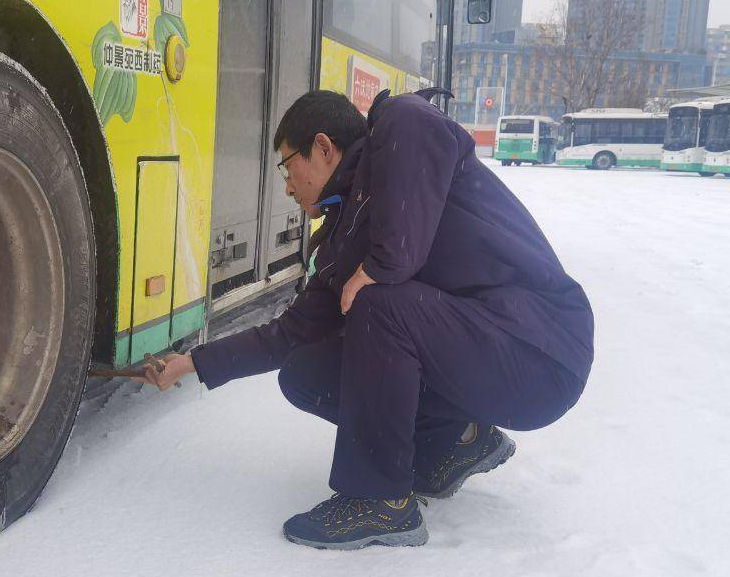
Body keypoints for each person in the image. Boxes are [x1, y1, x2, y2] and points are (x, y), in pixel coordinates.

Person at [140, 89, 594, 550]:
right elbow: (286, 336)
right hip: (487, 353)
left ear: (322, 147)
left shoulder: (401, 127)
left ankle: (380, 500)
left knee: (379, 305)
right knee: (305, 373)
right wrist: (192, 363)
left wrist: (372, 274)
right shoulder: (346, 237)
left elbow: (399, 248)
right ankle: (458, 439)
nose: (288, 187)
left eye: (286, 166)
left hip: (540, 346)